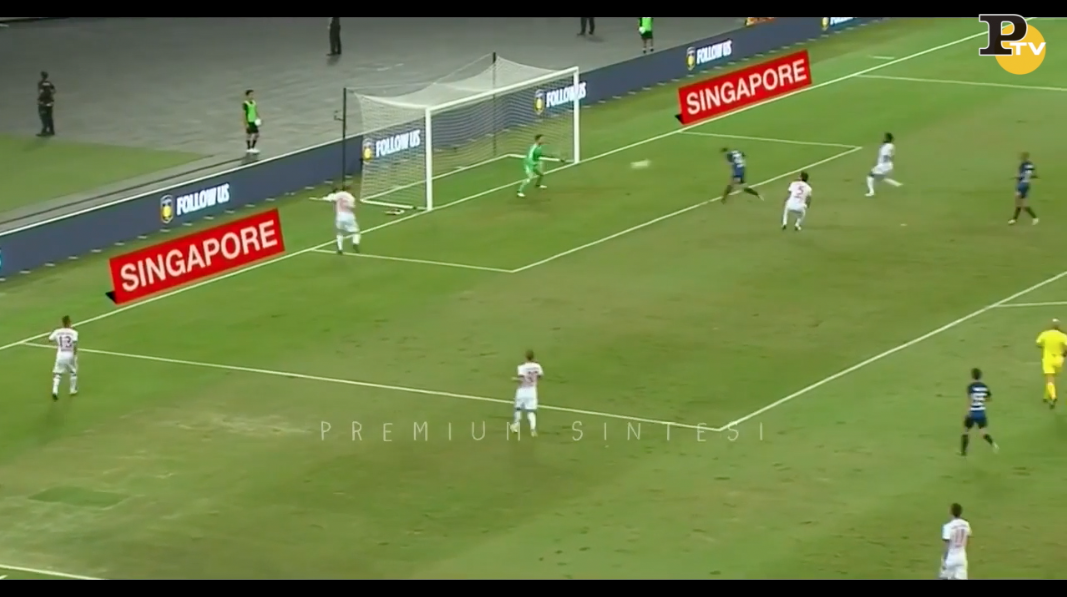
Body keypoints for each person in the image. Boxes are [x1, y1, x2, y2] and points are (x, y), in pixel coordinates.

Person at [960, 368, 997, 455]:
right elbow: (989, 399)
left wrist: (968, 411)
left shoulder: (971, 387)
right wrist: (981, 399)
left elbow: (970, 399)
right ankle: (993, 444)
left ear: (972, 376)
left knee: (966, 431)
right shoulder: (984, 387)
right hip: (981, 412)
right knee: (983, 433)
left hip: (972, 412)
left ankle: (963, 452)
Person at [1035, 319, 1067, 408]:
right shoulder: (1062, 335)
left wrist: (1044, 346)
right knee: (1052, 378)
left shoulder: (1045, 334)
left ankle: (1053, 397)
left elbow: (1038, 343)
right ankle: (1046, 397)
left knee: (1049, 379)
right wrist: (1065, 353)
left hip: (1048, 359)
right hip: (1059, 360)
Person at [511, 349, 542, 437]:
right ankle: (533, 429)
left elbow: (521, 380)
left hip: (522, 390)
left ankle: (515, 426)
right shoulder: (538, 366)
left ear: (525, 357)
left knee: (518, 408)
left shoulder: (522, 367)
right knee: (531, 411)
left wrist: (514, 379)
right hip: (532, 391)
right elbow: (540, 376)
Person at [47, 315, 78, 400]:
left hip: (60, 355)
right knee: (73, 372)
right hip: (70, 354)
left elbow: (50, 339)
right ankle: (72, 390)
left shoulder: (57, 331)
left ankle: (55, 391)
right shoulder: (74, 332)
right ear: (69, 322)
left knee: (57, 374)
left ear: (62, 323)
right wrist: (75, 354)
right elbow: (74, 344)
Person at [939, 503, 971, 579]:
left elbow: (947, 545)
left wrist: (944, 559)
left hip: (951, 558)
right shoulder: (966, 524)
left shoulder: (948, 526)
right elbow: (968, 539)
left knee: (943, 578)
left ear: (951, 512)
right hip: (962, 558)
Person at [865, 132, 901, 197]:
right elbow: (892, 156)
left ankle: (871, 192)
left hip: (884, 165)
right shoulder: (892, 146)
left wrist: (880, 165)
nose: (883, 138)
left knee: (870, 176)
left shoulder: (886, 146)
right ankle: (897, 184)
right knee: (879, 177)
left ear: (887, 138)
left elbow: (885, 156)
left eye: (884, 137)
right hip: (888, 165)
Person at [1008, 151, 1037, 225]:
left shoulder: (1022, 165)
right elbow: (1032, 174)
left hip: (1022, 185)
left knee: (1021, 204)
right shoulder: (1030, 165)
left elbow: (1021, 175)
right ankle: (1014, 219)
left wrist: (1016, 177)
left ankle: (1034, 218)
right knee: (1019, 203)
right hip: (1026, 185)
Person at [37, 71, 56, 137]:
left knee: (44, 117)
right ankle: (52, 131)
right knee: (49, 117)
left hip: (44, 103)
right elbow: (54, 90)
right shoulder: (49, 83)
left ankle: (44, 131)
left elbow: (41, 92)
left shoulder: (41, 83)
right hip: (50, 102)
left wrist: (40, 100)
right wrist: (50, 96)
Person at [243, 89, 261, 154]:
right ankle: (249, 148)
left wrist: (258, 117)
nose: (252, 96)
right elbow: (244, 114)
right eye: (250, 95)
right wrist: (246, 123)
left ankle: (251, 147)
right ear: (247, 96)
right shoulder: (246, 104)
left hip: (254, 121)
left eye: (253, 94)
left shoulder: (254, 102)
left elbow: (255, 110)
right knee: (250, 135)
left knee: (255, 134)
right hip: (250, 121)